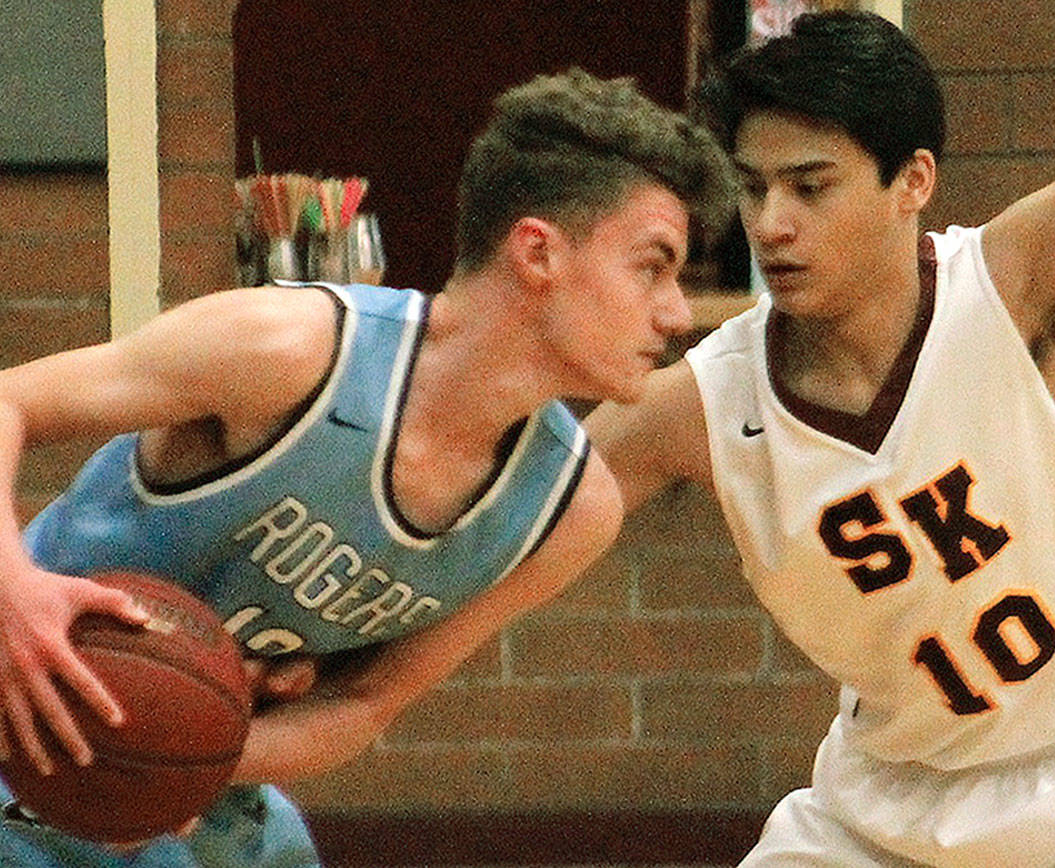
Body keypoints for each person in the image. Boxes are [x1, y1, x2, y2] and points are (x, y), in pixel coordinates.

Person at [0, 67, 735, 867]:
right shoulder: (292, 351)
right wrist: (15, 595)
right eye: (652, 266)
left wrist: (185, 758)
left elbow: (367, 703)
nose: (673, 311)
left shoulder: (570, 507)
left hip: (190, 802)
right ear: (538, 252)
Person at [584, 7, 1055, 867]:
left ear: (912, 180)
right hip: (886, 805)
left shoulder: (1017, 285)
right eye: (753, 188)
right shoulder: (700, 405)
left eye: (811, 184)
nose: (771, 223)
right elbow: (515, 524)